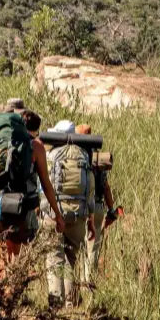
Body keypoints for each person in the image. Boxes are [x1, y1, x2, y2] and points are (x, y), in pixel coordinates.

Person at [0, 109, 65, 259]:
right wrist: (58, 215)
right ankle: (18, 279)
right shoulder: (36, 146)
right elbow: (46, 184)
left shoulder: (1, 143)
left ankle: (8, 278)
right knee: (22, 254)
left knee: (7, 251)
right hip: (23, 208)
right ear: (37, 129)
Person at [41, 120, 96, 308]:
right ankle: (71, 304)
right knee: (71, 260)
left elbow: (44, 185)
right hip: (78, 216)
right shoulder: (83, 156)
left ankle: (56, 304)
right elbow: (90, 190)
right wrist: (90, 221)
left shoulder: (51, 154)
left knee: (54, 259)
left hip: (54, 215)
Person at [76, 124, 117, 281]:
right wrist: (112, 210)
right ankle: (88, 282)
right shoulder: (99, 159)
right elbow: (106, 188)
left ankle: (76, 282)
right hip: (98, 206)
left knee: (77, 247)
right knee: (92, 248)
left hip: (78, 208)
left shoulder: (74, 157)